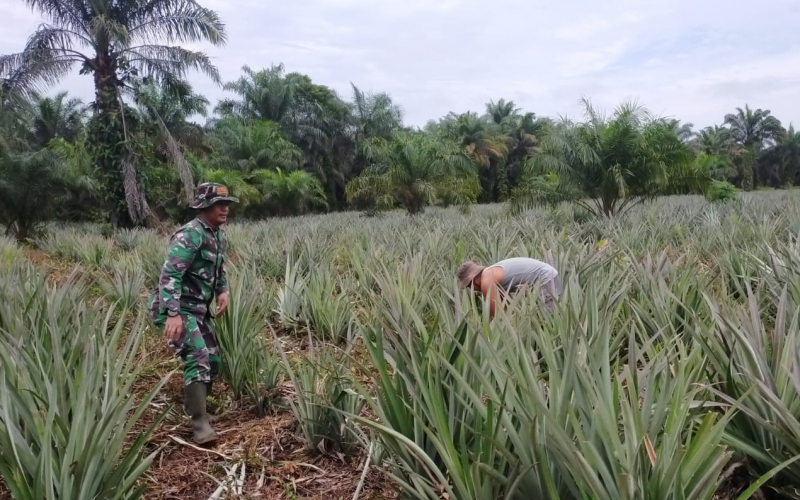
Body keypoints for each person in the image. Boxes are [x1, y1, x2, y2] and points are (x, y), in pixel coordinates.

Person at [148, 182, 238, 445]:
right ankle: (199, 424)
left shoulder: (217, 235)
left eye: (226, 204)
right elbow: (170, 275)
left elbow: (218, 269)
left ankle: (198, 409)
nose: (224, 208)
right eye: (218, 204)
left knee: (213, 359)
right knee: (198, 356)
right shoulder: (190, 235)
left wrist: (223, 290)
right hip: (177, 308)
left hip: (197, 310)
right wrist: (172, 314)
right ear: (203, 206)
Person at [457, 257, 561, 319]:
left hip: (547, 279)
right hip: (546, 277)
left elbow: (496, 316)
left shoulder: (486, 281)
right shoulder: (491, 275)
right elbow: (504, 309)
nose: (471, 289)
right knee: (541, 319)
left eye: (469, 285)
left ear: (473, 280)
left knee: (548, 320)